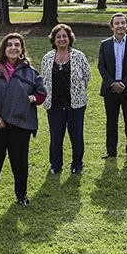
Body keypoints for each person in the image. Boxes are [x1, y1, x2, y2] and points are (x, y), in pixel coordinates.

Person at [0, 33, 46, 207]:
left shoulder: (30, 72)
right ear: (4, 49)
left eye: (17, 45)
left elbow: (41, 95)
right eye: (9, 45)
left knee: (19, 161)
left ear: (22, 49)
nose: (13, 48)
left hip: (20, 124)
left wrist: (29, 99)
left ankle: (21, 195)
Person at [41, 24, 92, 174]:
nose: (62, 39)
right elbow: (44, 79)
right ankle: (56, 164)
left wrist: (78, 90)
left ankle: (77, 163)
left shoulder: (79, 56)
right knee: (56, 136)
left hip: (75, 104)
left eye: (65, 36)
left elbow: (87, 76)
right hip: (54, 104)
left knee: (76, 136)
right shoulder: (47, 58)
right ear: (54, 40)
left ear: (70, 38)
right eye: (58, 37)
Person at [97, 13, 127, 159]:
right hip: (110, 89)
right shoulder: (105, 44)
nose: (120, 26)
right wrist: (112, 83)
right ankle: (111, 151)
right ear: (112, 27)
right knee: (111, 122)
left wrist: (123, 83)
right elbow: (101, 66)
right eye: (117, 23)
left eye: (123, 23)